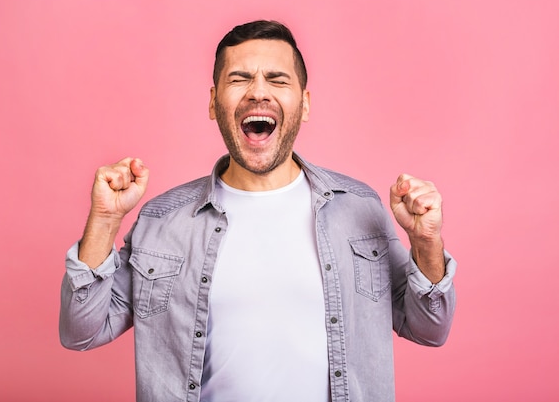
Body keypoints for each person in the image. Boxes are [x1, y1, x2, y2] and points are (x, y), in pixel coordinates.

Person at [59, 20, 456, 402]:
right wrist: (105, 220)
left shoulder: (359, 208)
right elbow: (81, 331)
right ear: (214, 103)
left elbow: (429, 328)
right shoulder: (163, 221)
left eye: (278, 79)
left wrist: (425, 241)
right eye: (239, 79)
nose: (258, 92)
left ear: (304, 105)